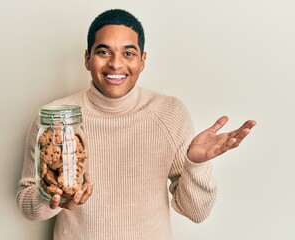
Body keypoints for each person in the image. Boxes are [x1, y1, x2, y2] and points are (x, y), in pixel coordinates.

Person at [16, 9, 256, 240]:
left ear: (142, 61)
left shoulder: (170, 113)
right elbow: (27, 205)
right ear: (87, 59)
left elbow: (196, 212)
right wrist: (52, 197)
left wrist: (196, 165)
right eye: (103, 52)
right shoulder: (55, 118)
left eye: (128, 53)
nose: (116, 64)